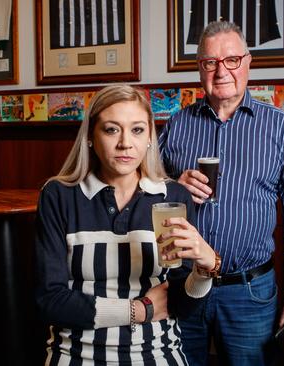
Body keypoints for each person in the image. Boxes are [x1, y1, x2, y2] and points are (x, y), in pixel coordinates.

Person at [158, 21, 284, 366]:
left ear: (248, 63)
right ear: (199, 69)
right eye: (210, 62)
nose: (222, 71)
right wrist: (172, 185)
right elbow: (142, 193)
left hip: (249, 292)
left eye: (232, 60)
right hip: (184, 285)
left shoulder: (280, 128)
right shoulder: (176, 125)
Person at [35, 84, 220, 365]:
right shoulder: (58, 195)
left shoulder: (174, 197)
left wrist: (206, 269)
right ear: (90, 137)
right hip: (76, 353)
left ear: (149, 138)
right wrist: (138, 310)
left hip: (157, 351)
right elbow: (51, 300)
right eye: (111, 129)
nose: (125, 143)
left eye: (137, 130)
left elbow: (181, 305)